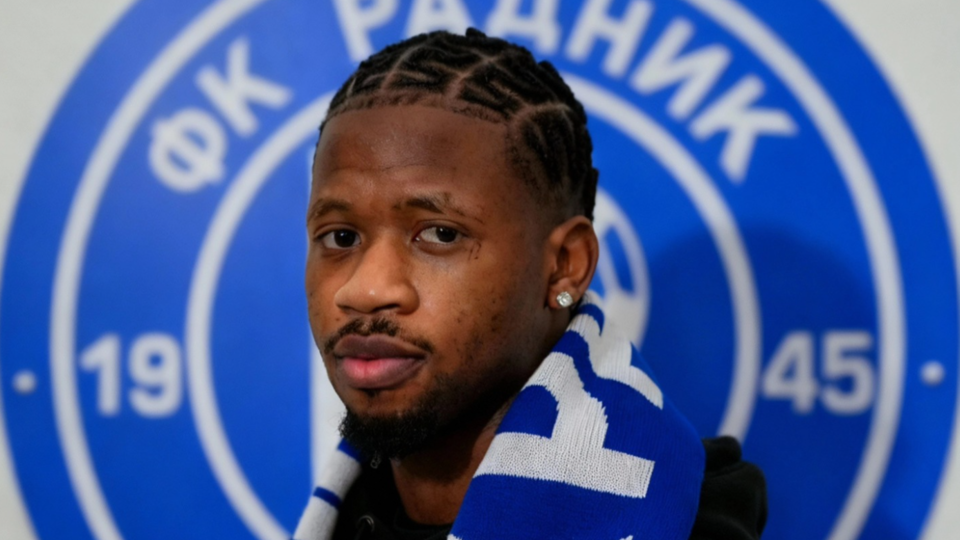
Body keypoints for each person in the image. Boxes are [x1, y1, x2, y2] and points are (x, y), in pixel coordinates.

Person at [294, 28, 767, 540]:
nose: (363, 290)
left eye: (440, 234)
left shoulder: (684, 521)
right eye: (340, 237)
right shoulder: (346, 515)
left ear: (565, 266)